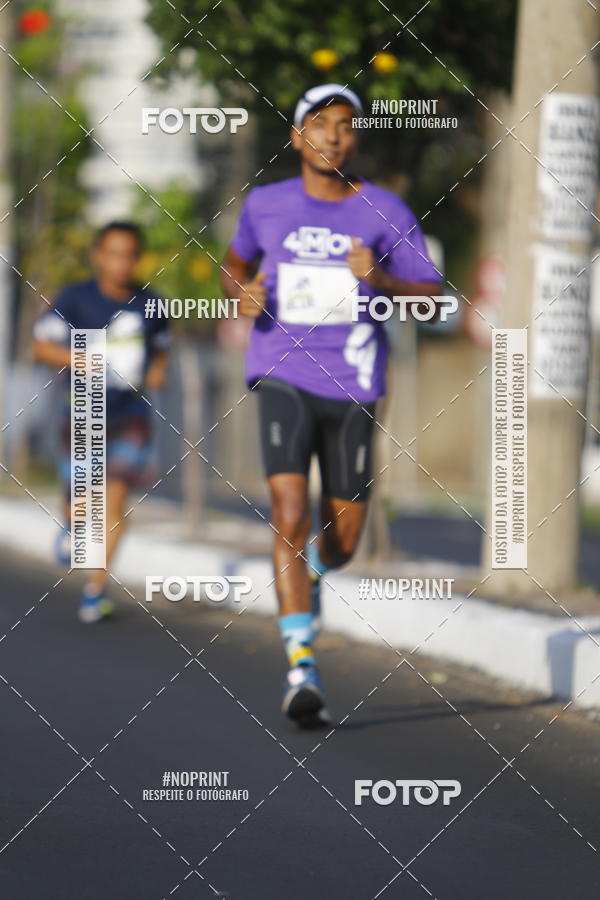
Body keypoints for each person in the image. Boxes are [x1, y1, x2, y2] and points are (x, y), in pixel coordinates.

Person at [221, 84, 443, 727]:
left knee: (342, 539)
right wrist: (246, 292)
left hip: (355, 383)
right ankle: (301, 667)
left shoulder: (385, 209)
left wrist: (383, 281)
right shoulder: (265, 205)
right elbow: (233, 267)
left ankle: (313, 570)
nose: (334, 136)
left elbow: (431, 298)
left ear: (357, 137)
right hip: (282, 370)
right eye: (319, 126)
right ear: (296, 138)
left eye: (345, 126)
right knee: (288, 510)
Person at [32, 221, 170, 623]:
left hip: (131, 414)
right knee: (81, 504)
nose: (121, 263)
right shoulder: (75, 299)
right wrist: (76, 358)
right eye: (113, 253)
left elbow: (161, 348)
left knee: (115, 500)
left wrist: (158, 370)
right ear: (98, 255)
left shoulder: (151, 303)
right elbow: (40, 346)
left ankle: (96, 589)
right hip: (82, 410)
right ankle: (73, 526)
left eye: (129, 254)